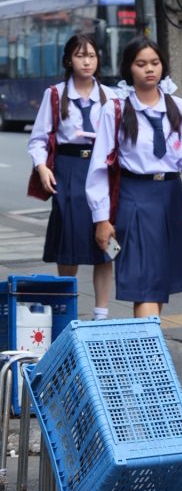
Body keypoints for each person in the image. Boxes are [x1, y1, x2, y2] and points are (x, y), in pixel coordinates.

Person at [86, 38, 182, 318]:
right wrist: (101, 219)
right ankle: (148, 343)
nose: (149, 69)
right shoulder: (115, 109)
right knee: (145, 284)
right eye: (141, 64)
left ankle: (148, 339)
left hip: (172, 196)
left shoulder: (177, 106)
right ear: (129, 69)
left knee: (159, 281)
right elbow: (99, 167)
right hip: (135, 197)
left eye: (154, 63)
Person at [28, 34, 114, 319]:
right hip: (68, 169)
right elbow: (38, 139)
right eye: (80, 56)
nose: (86, 62)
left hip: (102, 169)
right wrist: (42, 167)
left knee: (105, 242)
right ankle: (66, 310)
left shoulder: (112, 96)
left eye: (91, 55)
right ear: (68, 60)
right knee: (69, 240)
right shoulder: (55, 94)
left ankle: (101, 314)